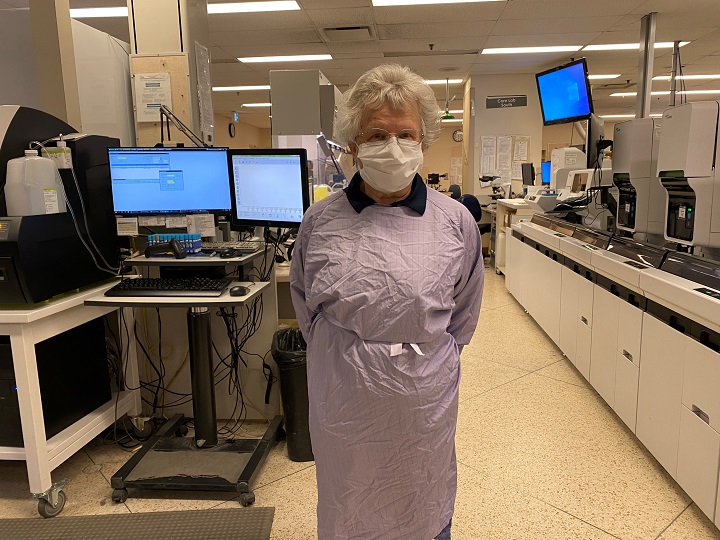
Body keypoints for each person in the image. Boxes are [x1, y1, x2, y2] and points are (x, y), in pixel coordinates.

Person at [290, 63, 484, 540]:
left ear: (424, 140)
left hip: (424, 404)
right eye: (378, 134)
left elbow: (463, 316)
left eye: (406, 134)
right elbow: (305, 310)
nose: (393, 147)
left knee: (422, 501)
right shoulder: (319, 223)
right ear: (353, 144)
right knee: (348, 503)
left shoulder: (455, 223)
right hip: (345, 400)